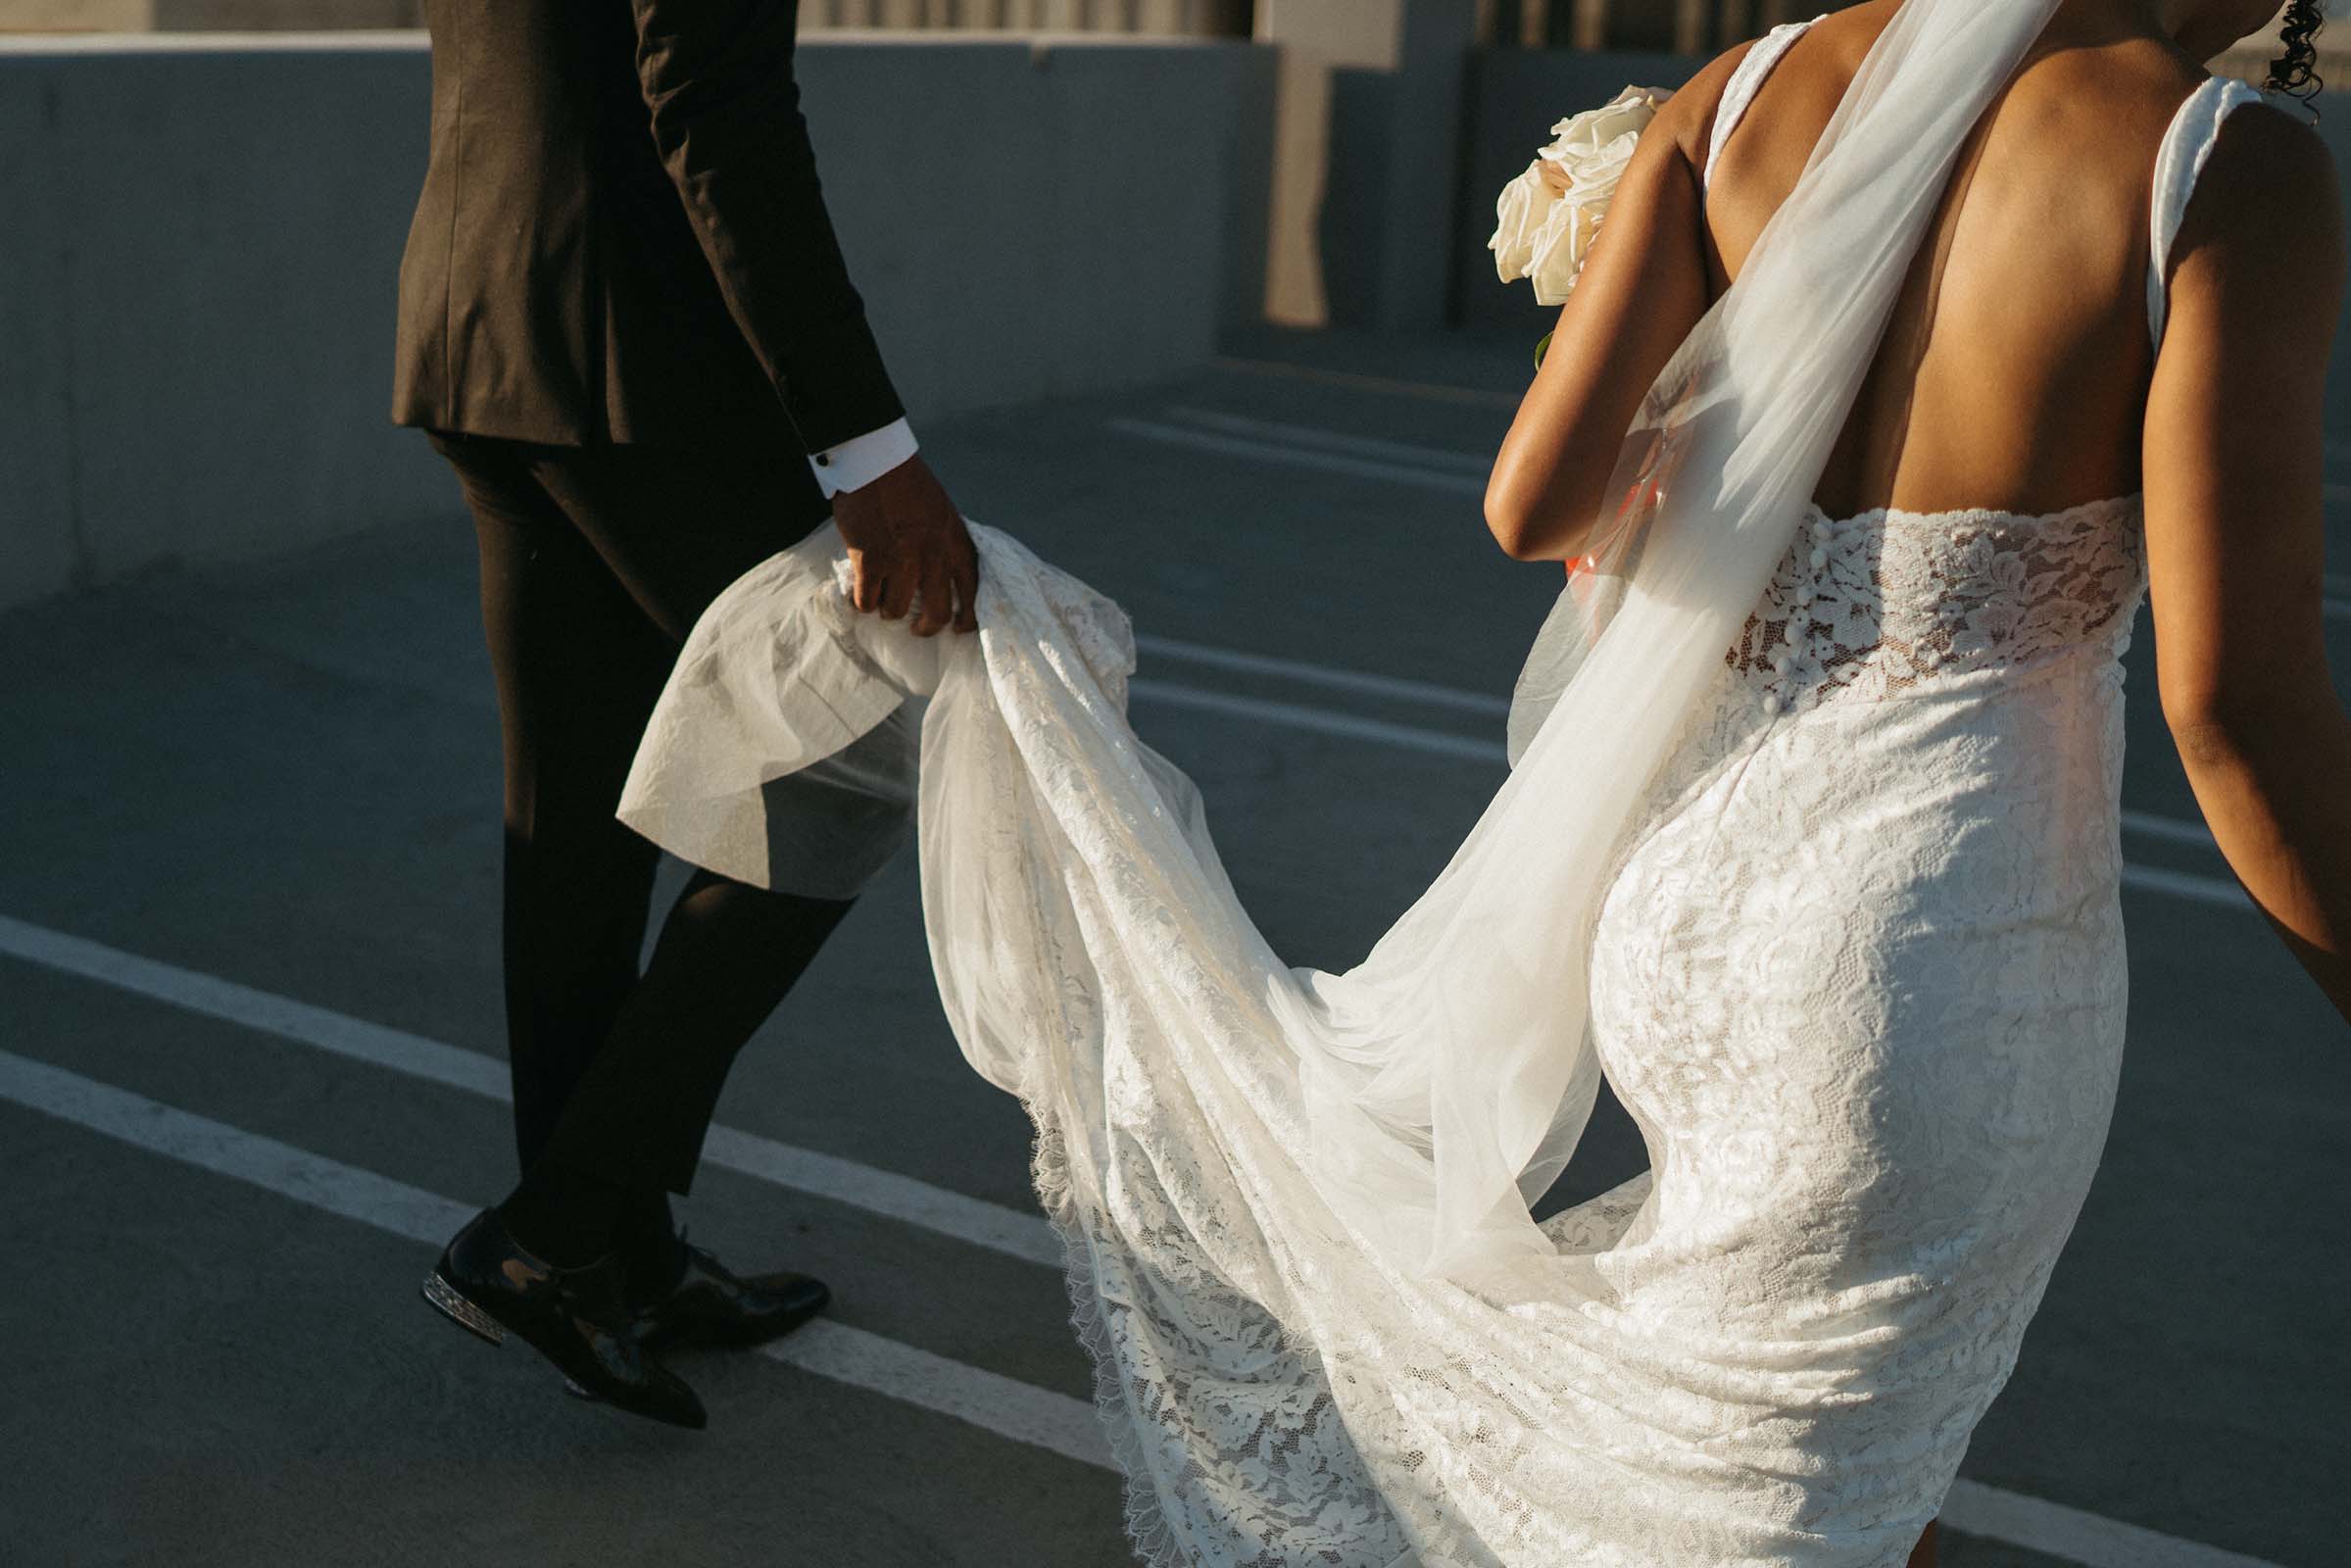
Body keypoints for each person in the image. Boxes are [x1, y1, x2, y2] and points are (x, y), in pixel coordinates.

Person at [623, 0, 2348, 1560]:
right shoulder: (2221, 170)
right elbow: (2232, 707)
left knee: (1737, 1477)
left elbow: (1538, 506)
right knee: (1818, 1502)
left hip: (1680, 914)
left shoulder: (1739, 93)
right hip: (1939, 961)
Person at [394, 0, 978, 1431]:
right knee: (860, 750)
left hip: (482, 308)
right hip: (630, 343)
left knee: (580, 818)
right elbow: (714, 103)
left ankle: (617, 1263)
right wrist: (870, 454)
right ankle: (558, 1230)